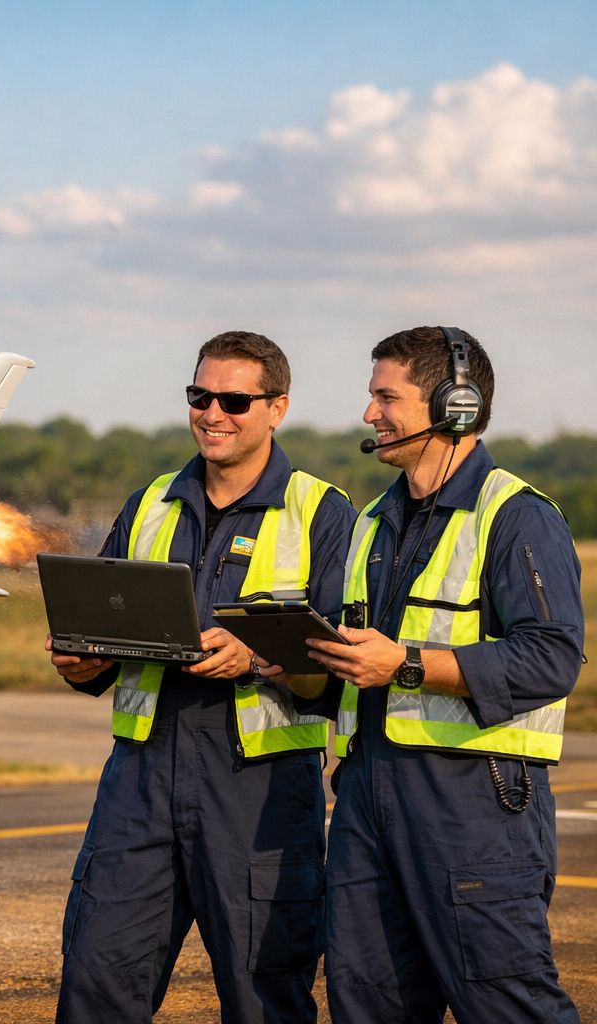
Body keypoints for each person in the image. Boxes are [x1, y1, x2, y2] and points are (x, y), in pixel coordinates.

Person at [49, 331, 356, 1023]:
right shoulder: (150, 503)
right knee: (96, 982)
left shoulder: (322, 514)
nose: (212, 412)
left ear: (277, 408)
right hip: (139, 782)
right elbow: (101, 637)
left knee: (263, 997)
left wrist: (255, 659)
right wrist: (80, 662)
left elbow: (341, 667)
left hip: (260, 796)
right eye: (199, 395)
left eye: (233, 400)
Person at [302, 326, 582, 1023]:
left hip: (476, 803)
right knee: (367, 1001)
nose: (370, 414)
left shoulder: (517, 517)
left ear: (455, 406)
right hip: (368, 794)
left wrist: (407, 664)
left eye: (385, 397)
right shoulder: (371, 522)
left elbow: (552, 656)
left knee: (505, 1001)